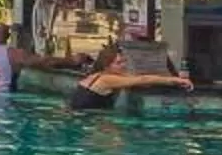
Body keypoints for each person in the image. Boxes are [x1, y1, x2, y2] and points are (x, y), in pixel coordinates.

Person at [65, 43, 193, 111]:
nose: (124, 65)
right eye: (119, 63)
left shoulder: (96, 75)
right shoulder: (107, 80)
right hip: (86, 118)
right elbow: (143, 79)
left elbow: (137, 80)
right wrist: (175, 80)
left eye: (124, 61)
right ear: (107, 66)